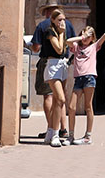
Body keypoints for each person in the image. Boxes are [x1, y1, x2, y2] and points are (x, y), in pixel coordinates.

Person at [66, 19, 105, 145]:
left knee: (88, 106)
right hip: (78, 79)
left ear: (92, 38)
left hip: (89, 78)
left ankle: (87, 136)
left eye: (88, 36)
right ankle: (71, 135)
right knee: (71, 107)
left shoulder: (94, 47)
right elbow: (68, 41)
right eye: (84, 35)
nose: (85, 38)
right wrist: (80, 37)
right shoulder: (77, 47)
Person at [31, 0, 75, 142]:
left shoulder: (43, 26)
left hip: (48, 62)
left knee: (50, 97)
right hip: (62, 63)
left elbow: (36, 47)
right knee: (60, 97)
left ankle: (52, 128)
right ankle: (61, 129)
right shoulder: (66, 25)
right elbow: (72, 44)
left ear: (48, 13)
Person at [42, 9, 72, 147]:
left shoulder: (63, 32)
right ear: (52, 20)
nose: (62, 22)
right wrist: (61, 33)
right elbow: (59, 49)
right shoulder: (50, 32)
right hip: (53, 65)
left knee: (56, 102)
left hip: (63, 65)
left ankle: (49, 132)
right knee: (61, 99)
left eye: (63, 19)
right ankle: (55, 133)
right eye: (59, 20)